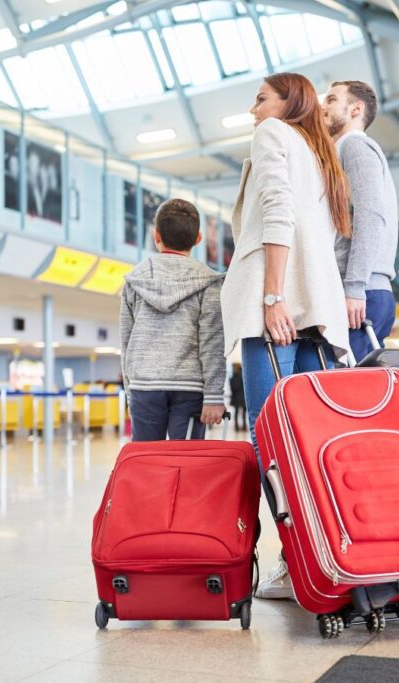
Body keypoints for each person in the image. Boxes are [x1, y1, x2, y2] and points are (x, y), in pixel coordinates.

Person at [220, 72, 352, 600]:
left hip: (281, 305)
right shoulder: (317, 151)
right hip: (317, 306)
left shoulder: (274, 135)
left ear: (286, 102)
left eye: (260, 99)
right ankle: (329, 554)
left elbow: (277, 215)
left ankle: (294, 563)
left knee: (270, 438)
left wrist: (272, 296)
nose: (253, 110)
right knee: (311, 438)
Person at [119, 199, 226, 441]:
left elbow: (126, 342)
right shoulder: (208, 283)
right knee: (186, 465)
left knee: (147, 463)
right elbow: (212, 342)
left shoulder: (134, 281)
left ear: (156, 236)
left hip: (144, 387)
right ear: (198, 239)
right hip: (190, 389)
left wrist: (130, 391)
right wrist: (213, 396)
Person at [322, 80, 399, 361]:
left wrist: (354, 286)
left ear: (356, 108)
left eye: (331, 99)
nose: (322, 106)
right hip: (362, 290)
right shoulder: (343, 149)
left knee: (351, 397)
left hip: (361, 291)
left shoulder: (353, 146)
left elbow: (370, 215)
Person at [229, 364, 246, 431]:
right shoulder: (243, 377)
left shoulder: (232, 378)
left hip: (236, 397)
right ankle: (244, 426)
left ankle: (237, 427)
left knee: (236, 412)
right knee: (243, 413)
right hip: (243, 397)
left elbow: (233, 388)